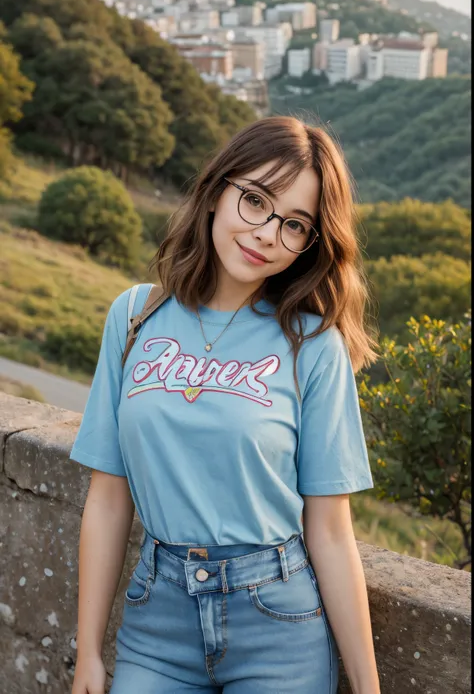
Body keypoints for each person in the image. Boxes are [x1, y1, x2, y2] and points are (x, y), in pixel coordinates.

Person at [70, 116, 381, 694]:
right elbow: (109, 499)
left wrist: (368, 687)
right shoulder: (135, 317)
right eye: (256, 200)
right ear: (217, 191)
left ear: (311, 243)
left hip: (279, 630)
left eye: (294, 224)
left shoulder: (313, 345)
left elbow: (332, 531)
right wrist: (87, 650)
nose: (267, 232)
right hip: (155, 625)